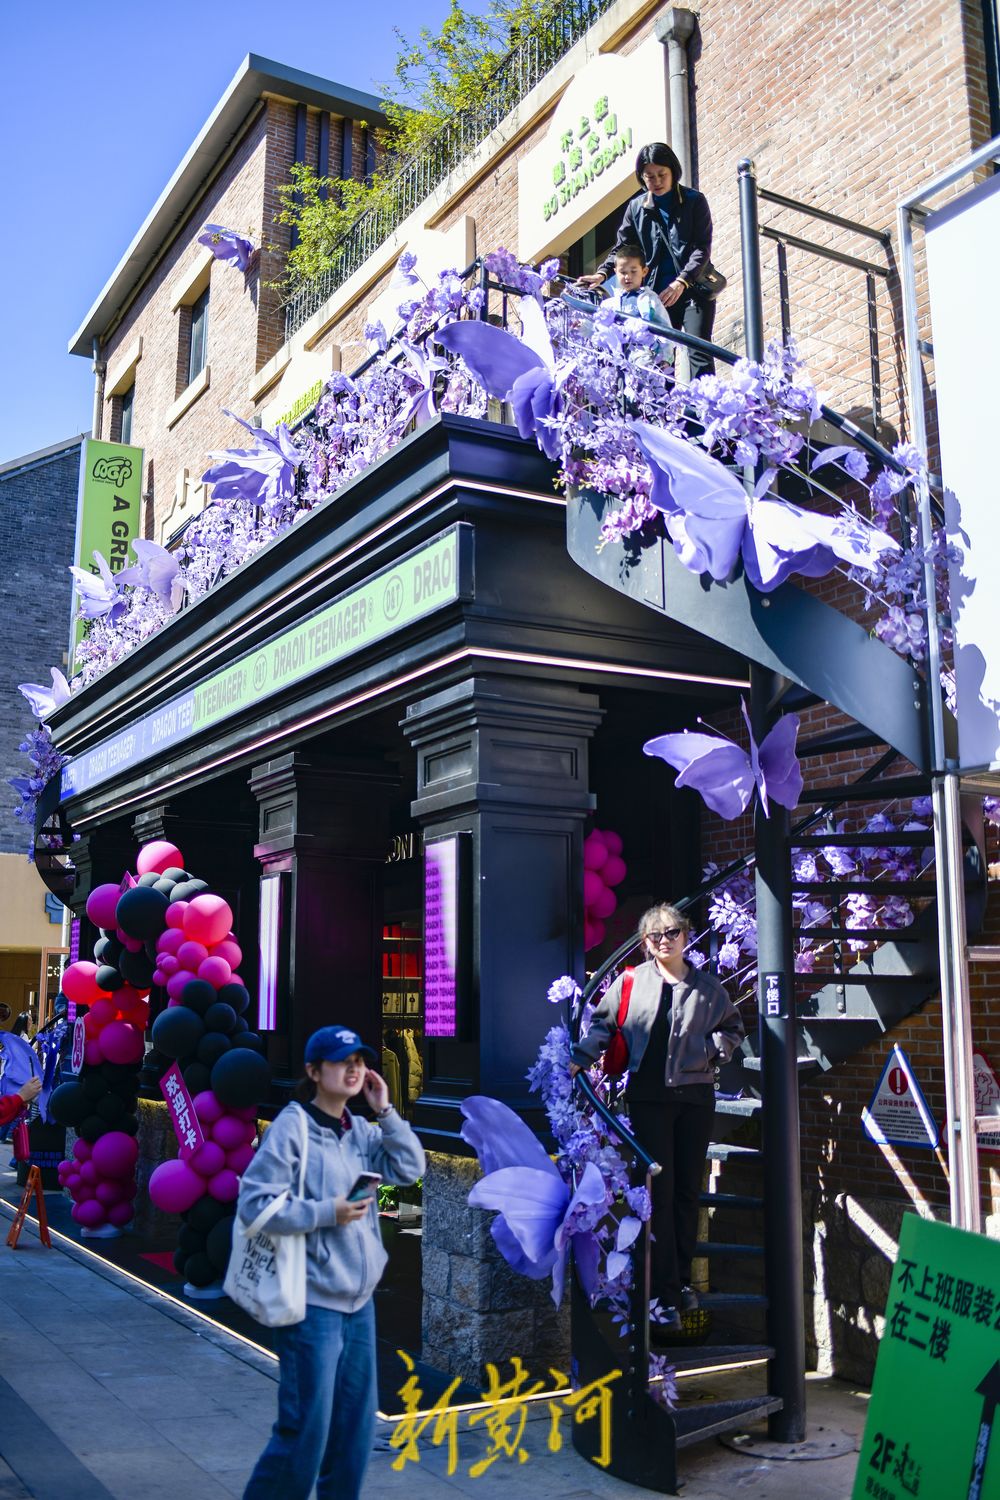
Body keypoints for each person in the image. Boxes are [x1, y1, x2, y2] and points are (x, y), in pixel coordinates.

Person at [240, 1025, 426, 1500]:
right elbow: (255, 1205)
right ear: (313, 1071)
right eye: (343, 1062)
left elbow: (410, 1169)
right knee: (305, 1432)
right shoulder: (292, 1127)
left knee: (355, 1433)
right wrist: (328, 1212)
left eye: (359, 1062)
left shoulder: (359, 1130)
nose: (354, 1069)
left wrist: (386, 1111)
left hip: (359, 1304)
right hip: (310, 1303)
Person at [569, 903, 744, 1338]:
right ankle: (659, 1290)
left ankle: (679, 1282)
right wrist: (580, 1058)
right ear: (645, 943)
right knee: (656, 1195)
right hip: (649, 1100)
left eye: (672, 932)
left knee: (686, 1193)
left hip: (695, 1100)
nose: (664, 940)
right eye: (654, 935)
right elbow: (603, 1026)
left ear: (686, 935)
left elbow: (733, 1029)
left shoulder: (708, 987)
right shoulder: (631, 982)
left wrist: (711, 1051)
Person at [578, 142, 718, 376]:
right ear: (642, 178)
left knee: (698, 349)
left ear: (673, 171)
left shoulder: (694, 201)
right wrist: (602, 274)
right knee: (660, 356)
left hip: (692, 288)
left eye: (662, 174)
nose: (657, 181)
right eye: (650, 177)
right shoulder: (636, 208)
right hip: (658, 296)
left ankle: (705, 399)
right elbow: (622, 248)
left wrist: (681, 282)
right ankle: (663, 401)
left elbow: (702, 248)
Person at [605, 243, 675, 335]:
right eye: (623, 272)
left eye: (633, 271)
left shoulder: (650, 300)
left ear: (644, 271)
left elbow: (665, 330)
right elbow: (600, 330)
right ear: (616, 272)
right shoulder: (609, 304)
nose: (628, 277)